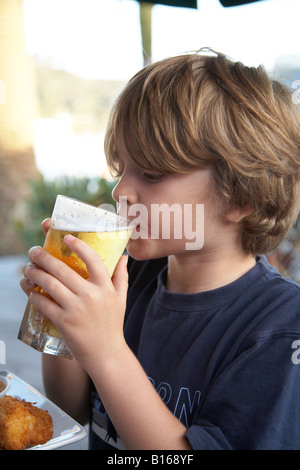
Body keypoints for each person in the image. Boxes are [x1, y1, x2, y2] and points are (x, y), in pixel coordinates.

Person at [20, 49, 300, 450]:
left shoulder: (279, 329)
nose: (120, 192)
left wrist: (106, 351)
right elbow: (71, 410)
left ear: (242, 198)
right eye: (121, 169)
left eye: (151, 174)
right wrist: (64, 320)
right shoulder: (127, 278)